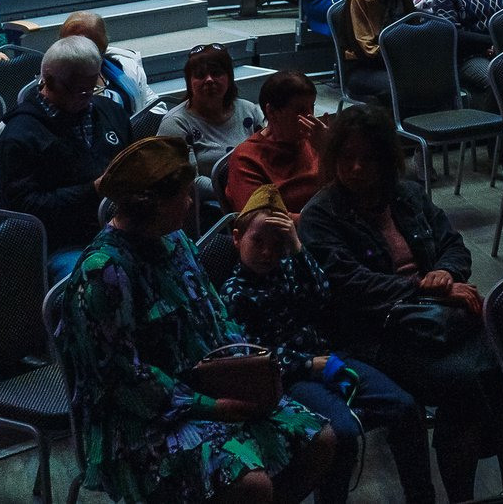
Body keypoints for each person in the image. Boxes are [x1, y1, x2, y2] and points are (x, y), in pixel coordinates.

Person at [57, 138, 337, 504]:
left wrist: (248, 375)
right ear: (150, 206)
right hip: (142, 422)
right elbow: (122, 379)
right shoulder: (105, 273)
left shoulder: (176, 242)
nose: (191, 204)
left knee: (321, 440)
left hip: (211, 388)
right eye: (182, 197)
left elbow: (216, 317)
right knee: (251, 485)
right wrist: (213, 404)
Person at [298, 106, 503, 498]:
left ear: (385, 158)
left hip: (433, 316)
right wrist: (424, 286)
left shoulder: (407, 194)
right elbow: (350, 284)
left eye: (366, 158)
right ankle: (461, 492)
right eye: (346, 158)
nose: (354, 168)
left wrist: (446, 274)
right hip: (374, 330)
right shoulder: (322, 214)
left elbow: (453, 245)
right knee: (467, 382)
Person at [219, 184, 437, 504]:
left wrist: (296, 246)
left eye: (276, 243)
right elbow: (251, 355)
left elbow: (321, 295)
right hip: (288, 376)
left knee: (404, 406)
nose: (267, 252)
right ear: (238, 238)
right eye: (258, 242)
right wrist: (308, 364)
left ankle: (422, 498)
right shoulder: (235, 293)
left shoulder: (288, 267)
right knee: (344, 432)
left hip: (326, 357)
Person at [0, 35, 133, 277]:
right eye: (79, 89)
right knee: (100, 277)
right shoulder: (20, 135)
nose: (87, 96)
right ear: (48, 81)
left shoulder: (111, 112)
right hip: (63, 243)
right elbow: (22, 210)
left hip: (123, 226)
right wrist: (93, 190)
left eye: (93, 86)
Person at [224, 70, 327, 214]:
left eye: (312, 107)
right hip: (286, 234)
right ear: (272, 112)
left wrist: (328, 152)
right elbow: (260, 220)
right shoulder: (247, 158)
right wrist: (318, 221)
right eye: (300, 110)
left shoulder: (316, 141)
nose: (310, 117)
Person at [157, 43, 266, 174]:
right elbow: (188, 184)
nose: (209, 80)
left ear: (229, 78)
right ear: (189, 81)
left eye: (216, 73)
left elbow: (267, 157)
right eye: (200, 75)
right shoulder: (175, 124)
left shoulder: (250, 110)